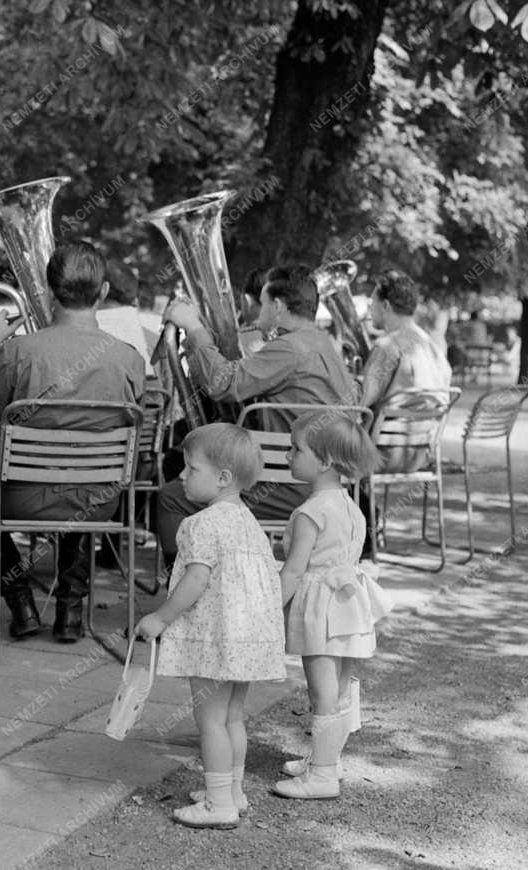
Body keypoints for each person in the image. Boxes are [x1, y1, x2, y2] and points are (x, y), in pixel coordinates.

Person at [0, 241, 146, 642]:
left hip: (24, 497)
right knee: (84, 484)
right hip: (101, 502)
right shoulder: (130, 358)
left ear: (49, 292)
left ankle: (22, 605)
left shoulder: (18, 350)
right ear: (102, 293)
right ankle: (70, 610)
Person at [135, 423, 286, 829]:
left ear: (222, 478)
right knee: (233, 716)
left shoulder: (201, 525)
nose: (181, 476)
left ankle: (219, 804)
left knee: (210, 720)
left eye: (190, 468)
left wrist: (161, 618)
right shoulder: (250, 522)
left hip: (214, 641)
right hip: (246, 639)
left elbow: (196, 580)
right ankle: (232, 791)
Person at [156, 264, 357, 564]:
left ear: (277, 306)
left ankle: (190, 589)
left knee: (172, 497)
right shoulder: (323, 345)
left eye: (262, 304)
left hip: (288, 486)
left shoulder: (291, 348)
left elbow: (222, 383)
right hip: (322, 482)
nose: (259, 311)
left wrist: (194, 328)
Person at [272, 411, 389, 800]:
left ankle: (322, 775)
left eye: (295, 448)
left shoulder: (310, 512)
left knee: (321, 692)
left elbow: (293, 571)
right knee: (338, 690)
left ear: (323, 461)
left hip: (321, 612)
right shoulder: (350, 507)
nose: (288, 455)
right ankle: (329, 761)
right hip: (349, 608)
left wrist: (268, 607)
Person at [360, 271, 452, 412]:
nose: (369, 309)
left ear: (385, 305)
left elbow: (359, 401)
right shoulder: (431, 344)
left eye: (372, 302)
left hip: (387, 432)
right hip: (426, 432)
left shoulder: (386, 346)